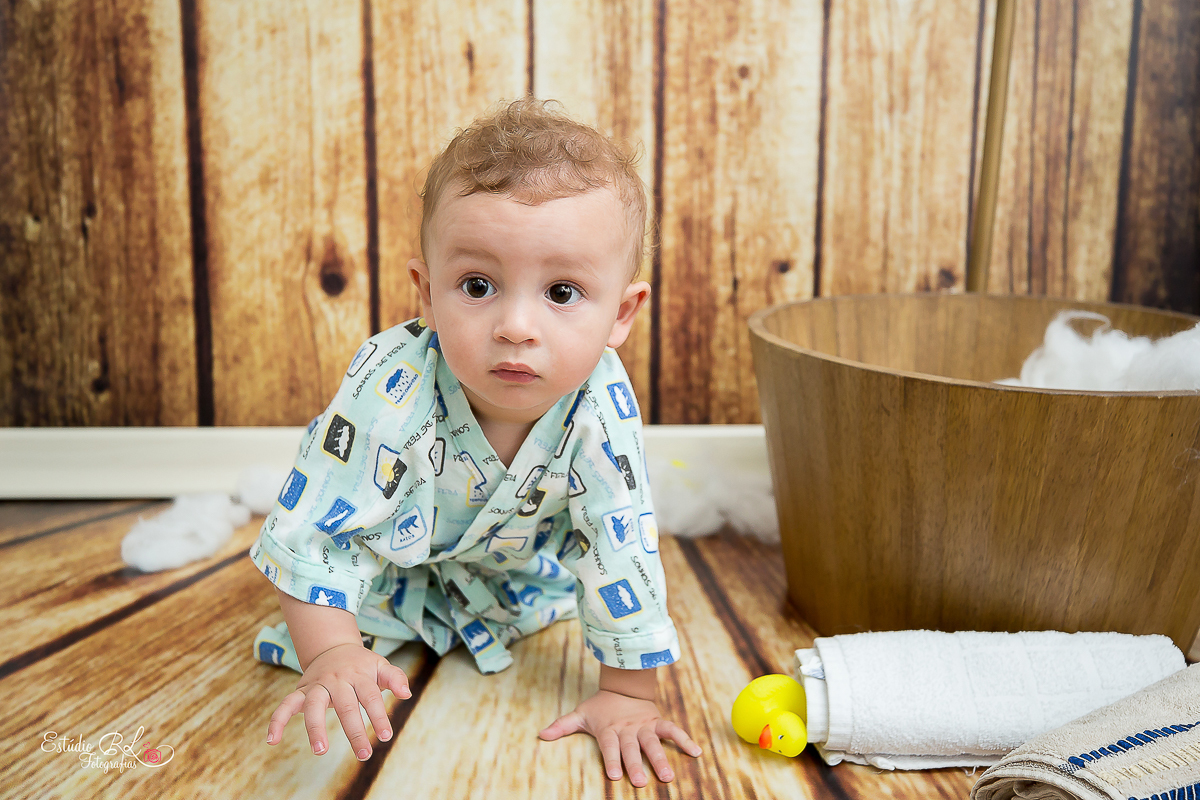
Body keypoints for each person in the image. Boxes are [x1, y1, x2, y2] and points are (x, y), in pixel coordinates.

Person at [249, 97, 701, 787]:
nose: (516, 325)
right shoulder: (393, 386)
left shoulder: (598, 406)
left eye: (562, 291)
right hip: (392, 574)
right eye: (479, 285)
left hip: (513, 579)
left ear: (622, 312)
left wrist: (627, 694)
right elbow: (320, 528)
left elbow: (618, 539)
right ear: (426, 294)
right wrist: (329, 655)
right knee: (335, 618)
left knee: (573, 576)